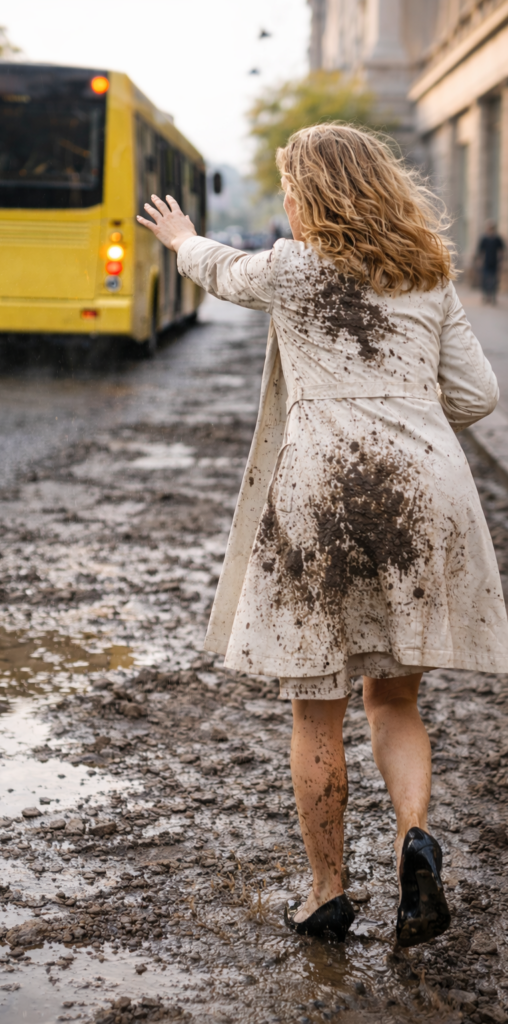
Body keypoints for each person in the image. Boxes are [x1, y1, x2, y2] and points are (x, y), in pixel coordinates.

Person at [137, 123, 508, 947]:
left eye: (290, 187)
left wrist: (178, 237)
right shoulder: (426, 274)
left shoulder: (293, 268)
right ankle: (414, 838)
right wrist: (402, 411)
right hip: (423, 489)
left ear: (310, 193)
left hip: (323, 491)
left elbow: (219, 272)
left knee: (315, 708)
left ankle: (326, 893)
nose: (287, 200)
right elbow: (478, 397)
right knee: (396, 696)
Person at [476, 221, 504, 304]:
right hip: (486, 262)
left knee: (494, 280)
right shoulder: (484, 238)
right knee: (485, 280)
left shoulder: (497, 239)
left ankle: (493, 297)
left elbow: (501, 250)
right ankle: (485, 296)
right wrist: (480, 261)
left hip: (495, 262)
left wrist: (501, 261)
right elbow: (480, 251)